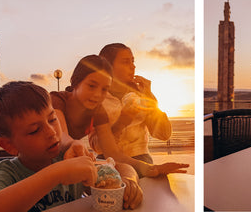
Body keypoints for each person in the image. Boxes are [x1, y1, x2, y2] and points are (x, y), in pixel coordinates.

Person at [0, 81, 141, 212]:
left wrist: (129, 182)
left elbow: (121, 168)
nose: (51, 132)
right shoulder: (7, 173)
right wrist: (58, 173)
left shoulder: (68, 158)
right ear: (9, 145)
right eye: (34, 130)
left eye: (53, 119)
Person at [51, 55, 187, 181]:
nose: (98, 94)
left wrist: (153, 168)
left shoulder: (98, 110)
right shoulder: (56, 100)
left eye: (104, 89)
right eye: (92, 86)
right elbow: (60, 135)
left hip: (66, 160)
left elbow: (114, 153)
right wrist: (72, 144)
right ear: (75, 81)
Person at [97, 43, 177, 166]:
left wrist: (150, 98)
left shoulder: (141, 95)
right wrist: (121, 122)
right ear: (108, 66)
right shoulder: (97, 98)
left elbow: (164, 134)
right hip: (106, 160)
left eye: (133, 61)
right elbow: (97, 146)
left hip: (140, 159)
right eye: (125, 62)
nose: (133, 66)